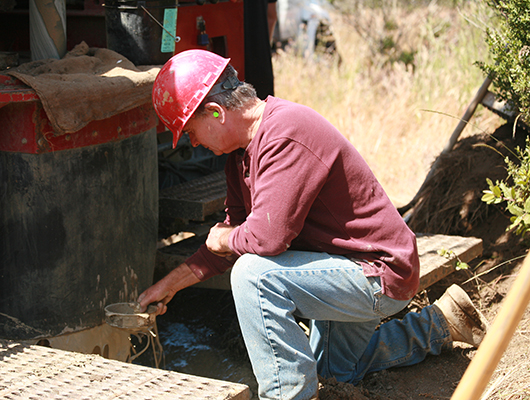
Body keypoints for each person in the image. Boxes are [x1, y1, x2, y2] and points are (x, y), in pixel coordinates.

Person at [141, 49, 489, 400]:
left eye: (190, 131)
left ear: (216, 112)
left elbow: (265, 238)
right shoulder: (240, 155)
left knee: (252, 275)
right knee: (333, 372)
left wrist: (227, 239)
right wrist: (169, 285)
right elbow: (232, 237)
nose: (194, 142)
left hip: (378, 273)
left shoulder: (286, 134)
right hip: (337, 268)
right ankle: (439, 324)